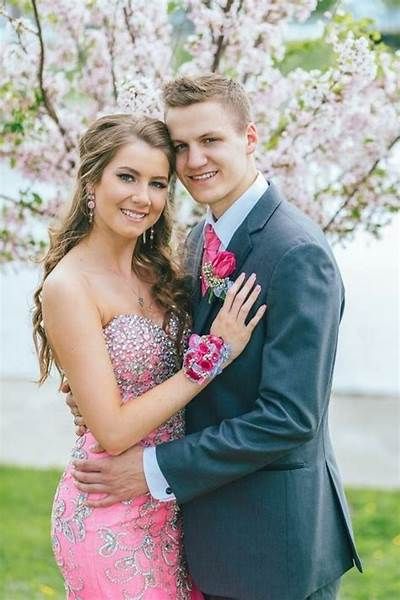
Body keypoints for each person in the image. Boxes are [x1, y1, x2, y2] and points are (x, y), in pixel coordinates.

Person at [68, 75, 362, 600]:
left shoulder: (296, 253)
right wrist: (102, 390)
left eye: (210, 140)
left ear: (249, 139)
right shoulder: (201, 238)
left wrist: (154, 470)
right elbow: (183, 353)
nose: (194, 160)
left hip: (273, 548)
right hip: (204, 539)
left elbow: (290, 417)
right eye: (180, 146)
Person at [32, 113, 266, 599]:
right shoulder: (69, 287)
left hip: (174, 501)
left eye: (158, 183)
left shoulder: (163, 269)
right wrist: (211, 357)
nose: (143, 197)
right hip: (109, 509)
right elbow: (113, 429)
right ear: (92, 180)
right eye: (127, 177)